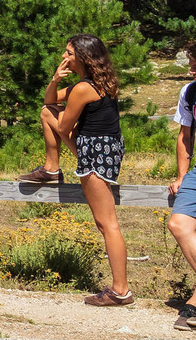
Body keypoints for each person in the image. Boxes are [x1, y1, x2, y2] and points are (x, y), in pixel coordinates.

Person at [22, 34, 131, 307]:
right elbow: (50, 100)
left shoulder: (83, 89)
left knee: (108, 224)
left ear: (82, 57)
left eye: (68, 53)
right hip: (107, 149)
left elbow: (63, 126)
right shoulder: (100, 82)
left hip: (95, 153)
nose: (64, 57)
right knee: (48, 110)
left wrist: (66, 129)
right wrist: (56, 79)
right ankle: (51, 168)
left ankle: (121, 291)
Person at [166, 40, 196, 327]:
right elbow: (184, 135)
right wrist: (182, 175)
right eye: (191, 65)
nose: (192, 70)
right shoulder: (191, 92)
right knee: (179, 224)